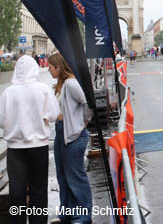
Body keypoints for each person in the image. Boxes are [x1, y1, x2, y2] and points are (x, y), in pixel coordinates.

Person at [0, 55, 60, 224]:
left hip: (15, 148)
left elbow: (2, 120)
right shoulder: (43, 89)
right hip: (38, 145)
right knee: (38, 189)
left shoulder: (7, 93)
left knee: (16, 190)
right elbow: (54, 114)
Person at [48, 53, 93, 224]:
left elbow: (88, 102)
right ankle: (66, 212)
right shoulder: (61, 85)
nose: (48, 69)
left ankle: (83, 216)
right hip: (61, 132)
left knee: (75, 177)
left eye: (51, 67)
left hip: (73, 133)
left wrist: (83, 122)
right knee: (63, 176)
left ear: (59, 67)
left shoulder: (72, 83)